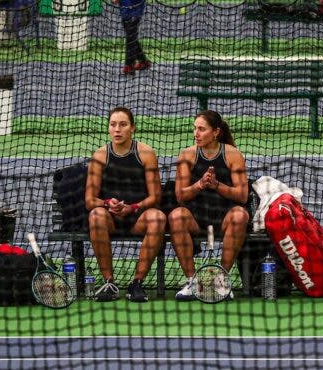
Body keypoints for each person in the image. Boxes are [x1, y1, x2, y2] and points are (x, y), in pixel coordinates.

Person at [84, 106, 165, 302]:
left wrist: (133, 207)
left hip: (138, 217)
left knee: (159, 217)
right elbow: (89, 200)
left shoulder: (146, 153)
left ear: (132, 128)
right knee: (95, 215)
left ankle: (136, 283)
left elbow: (156, 196)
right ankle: (109, 283)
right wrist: (106, 203)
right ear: (109, 128)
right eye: (113, 125)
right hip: (109, 217)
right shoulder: (100, 156)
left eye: (123, 124)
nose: (117, 129)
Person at [167, 110, 250, 301]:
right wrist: (200, 184)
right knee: (176, 215)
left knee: (240, 215)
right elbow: (180, 196)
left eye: (202, 129)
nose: (196, 133)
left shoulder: (233, 154)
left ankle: (222, 281)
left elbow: (243, 196)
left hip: (224, 215)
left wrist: (216, 185)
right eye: (195, 128)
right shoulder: (187, 155)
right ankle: (192, 282)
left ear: (216, 132)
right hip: (196, 217)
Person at [113, 0, 151, 75]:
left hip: (134, 10)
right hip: (125, 11)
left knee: (130, 37)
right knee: (131, 37)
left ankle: (129, 65)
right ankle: (143, 61)